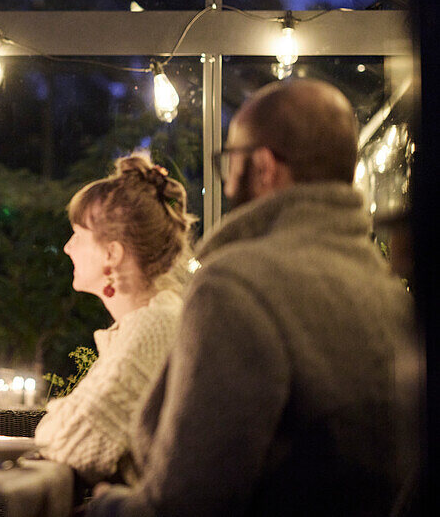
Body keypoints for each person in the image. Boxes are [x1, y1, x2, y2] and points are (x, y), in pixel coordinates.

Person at [87, 79, 419, 517]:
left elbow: (186, 504)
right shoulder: (388, 292)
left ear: (263, 167)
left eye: (232, 163)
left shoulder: (237, 287)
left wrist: (102, 507)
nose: (227, 185)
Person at [35, 155, 194, 486]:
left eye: (79, 234)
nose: (67, 247)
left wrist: (57, 419)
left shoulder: (154, 327)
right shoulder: (147, 323)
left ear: (112, 254)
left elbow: (69, 443)